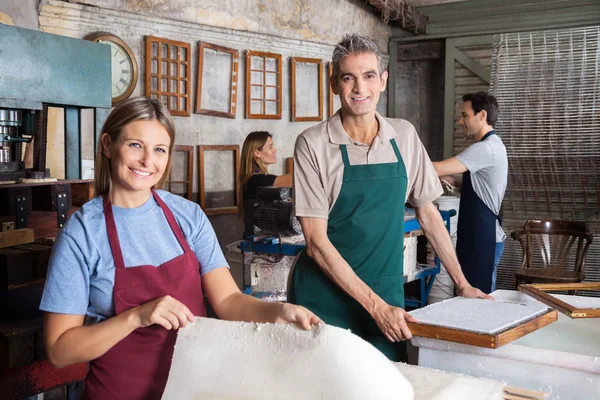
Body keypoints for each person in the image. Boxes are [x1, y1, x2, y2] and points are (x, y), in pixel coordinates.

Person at [39, 97, 321, 400]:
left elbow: (227, 300)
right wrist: (138, 316)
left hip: (193, 389)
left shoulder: (188, 216)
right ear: (108, 145)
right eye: (135, 145)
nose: (148, 161)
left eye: (159, 150)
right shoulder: (83, 233)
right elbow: (60, 349)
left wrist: (277, 312)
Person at [287, 34, 490, 362]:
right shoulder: (312, 143)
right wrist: (375, 307)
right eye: (348, 77)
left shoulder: (404, 136)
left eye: (368, 76)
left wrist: (462, 283)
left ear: (383, 81)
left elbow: (429, 214)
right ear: (333, 83)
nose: (359, 88)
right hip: (324, 298)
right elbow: (315, 242)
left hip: (385, 291)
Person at [432, 92, 507, 294]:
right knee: (474, 299)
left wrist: (406, 158)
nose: (460, 120)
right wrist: (455, 183)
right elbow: (483, 190)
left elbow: (436, 168)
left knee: (479, 303)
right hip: (480, 235)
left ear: (482, 115)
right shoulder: (494, 146)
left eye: (465, 115)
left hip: (483, 238)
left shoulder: (485, 149)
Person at [238, 131, 292, 202]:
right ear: (257, 153)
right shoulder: (254, 180)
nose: (275, 150)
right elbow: (295, 180)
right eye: (270, 147)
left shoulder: (255, 178)